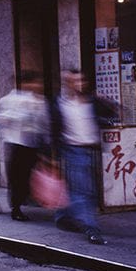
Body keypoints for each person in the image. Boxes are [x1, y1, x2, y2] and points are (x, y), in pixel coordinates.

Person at [50, 69, 116, 245]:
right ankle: (91, 227)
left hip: (92, 150)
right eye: (71, 81)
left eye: (79, 80)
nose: (76, 84)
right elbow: (54, 131)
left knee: (82, 189)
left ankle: (63, 216)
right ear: (66, 84)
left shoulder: (92, 102)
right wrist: (54, 157)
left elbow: (114, 114)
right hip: (72, 150)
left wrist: (105, 100)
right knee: (84, 191)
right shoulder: (60, 104)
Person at [0, 71, 49, 222]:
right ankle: (16, 207)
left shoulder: (40, 101)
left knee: (30, 176)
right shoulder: (8, 100)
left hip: (34, 143)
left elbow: (44, 122)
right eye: (31, 83)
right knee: (17, 177)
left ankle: (27, 199)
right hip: (15, 143)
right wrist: (24, 112)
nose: (35, 86)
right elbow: (3, 119)